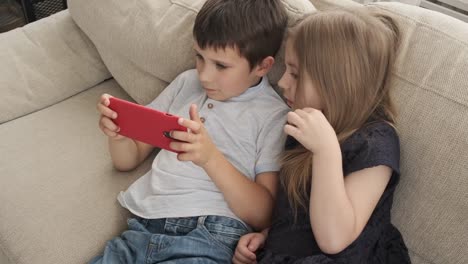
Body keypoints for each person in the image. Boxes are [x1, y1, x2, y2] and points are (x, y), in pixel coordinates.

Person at [91, 0, 289, 263]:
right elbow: (127, 160)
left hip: (210, 234)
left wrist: (209, 157)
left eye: (221, 65)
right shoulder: (187, 83)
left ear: (262, 66)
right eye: (199, 57)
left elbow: (263, 213)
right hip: (142, 227)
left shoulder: (273, 115)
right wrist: (119, 134)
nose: (205, 75)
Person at [233, 8, 411, 264]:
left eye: (295, 73)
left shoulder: (376, 142)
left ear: (336, 82)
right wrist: (268, 236)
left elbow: (335, 238)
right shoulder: (306, 125)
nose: (282, 82)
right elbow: (298, 217)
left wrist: (326, 151)